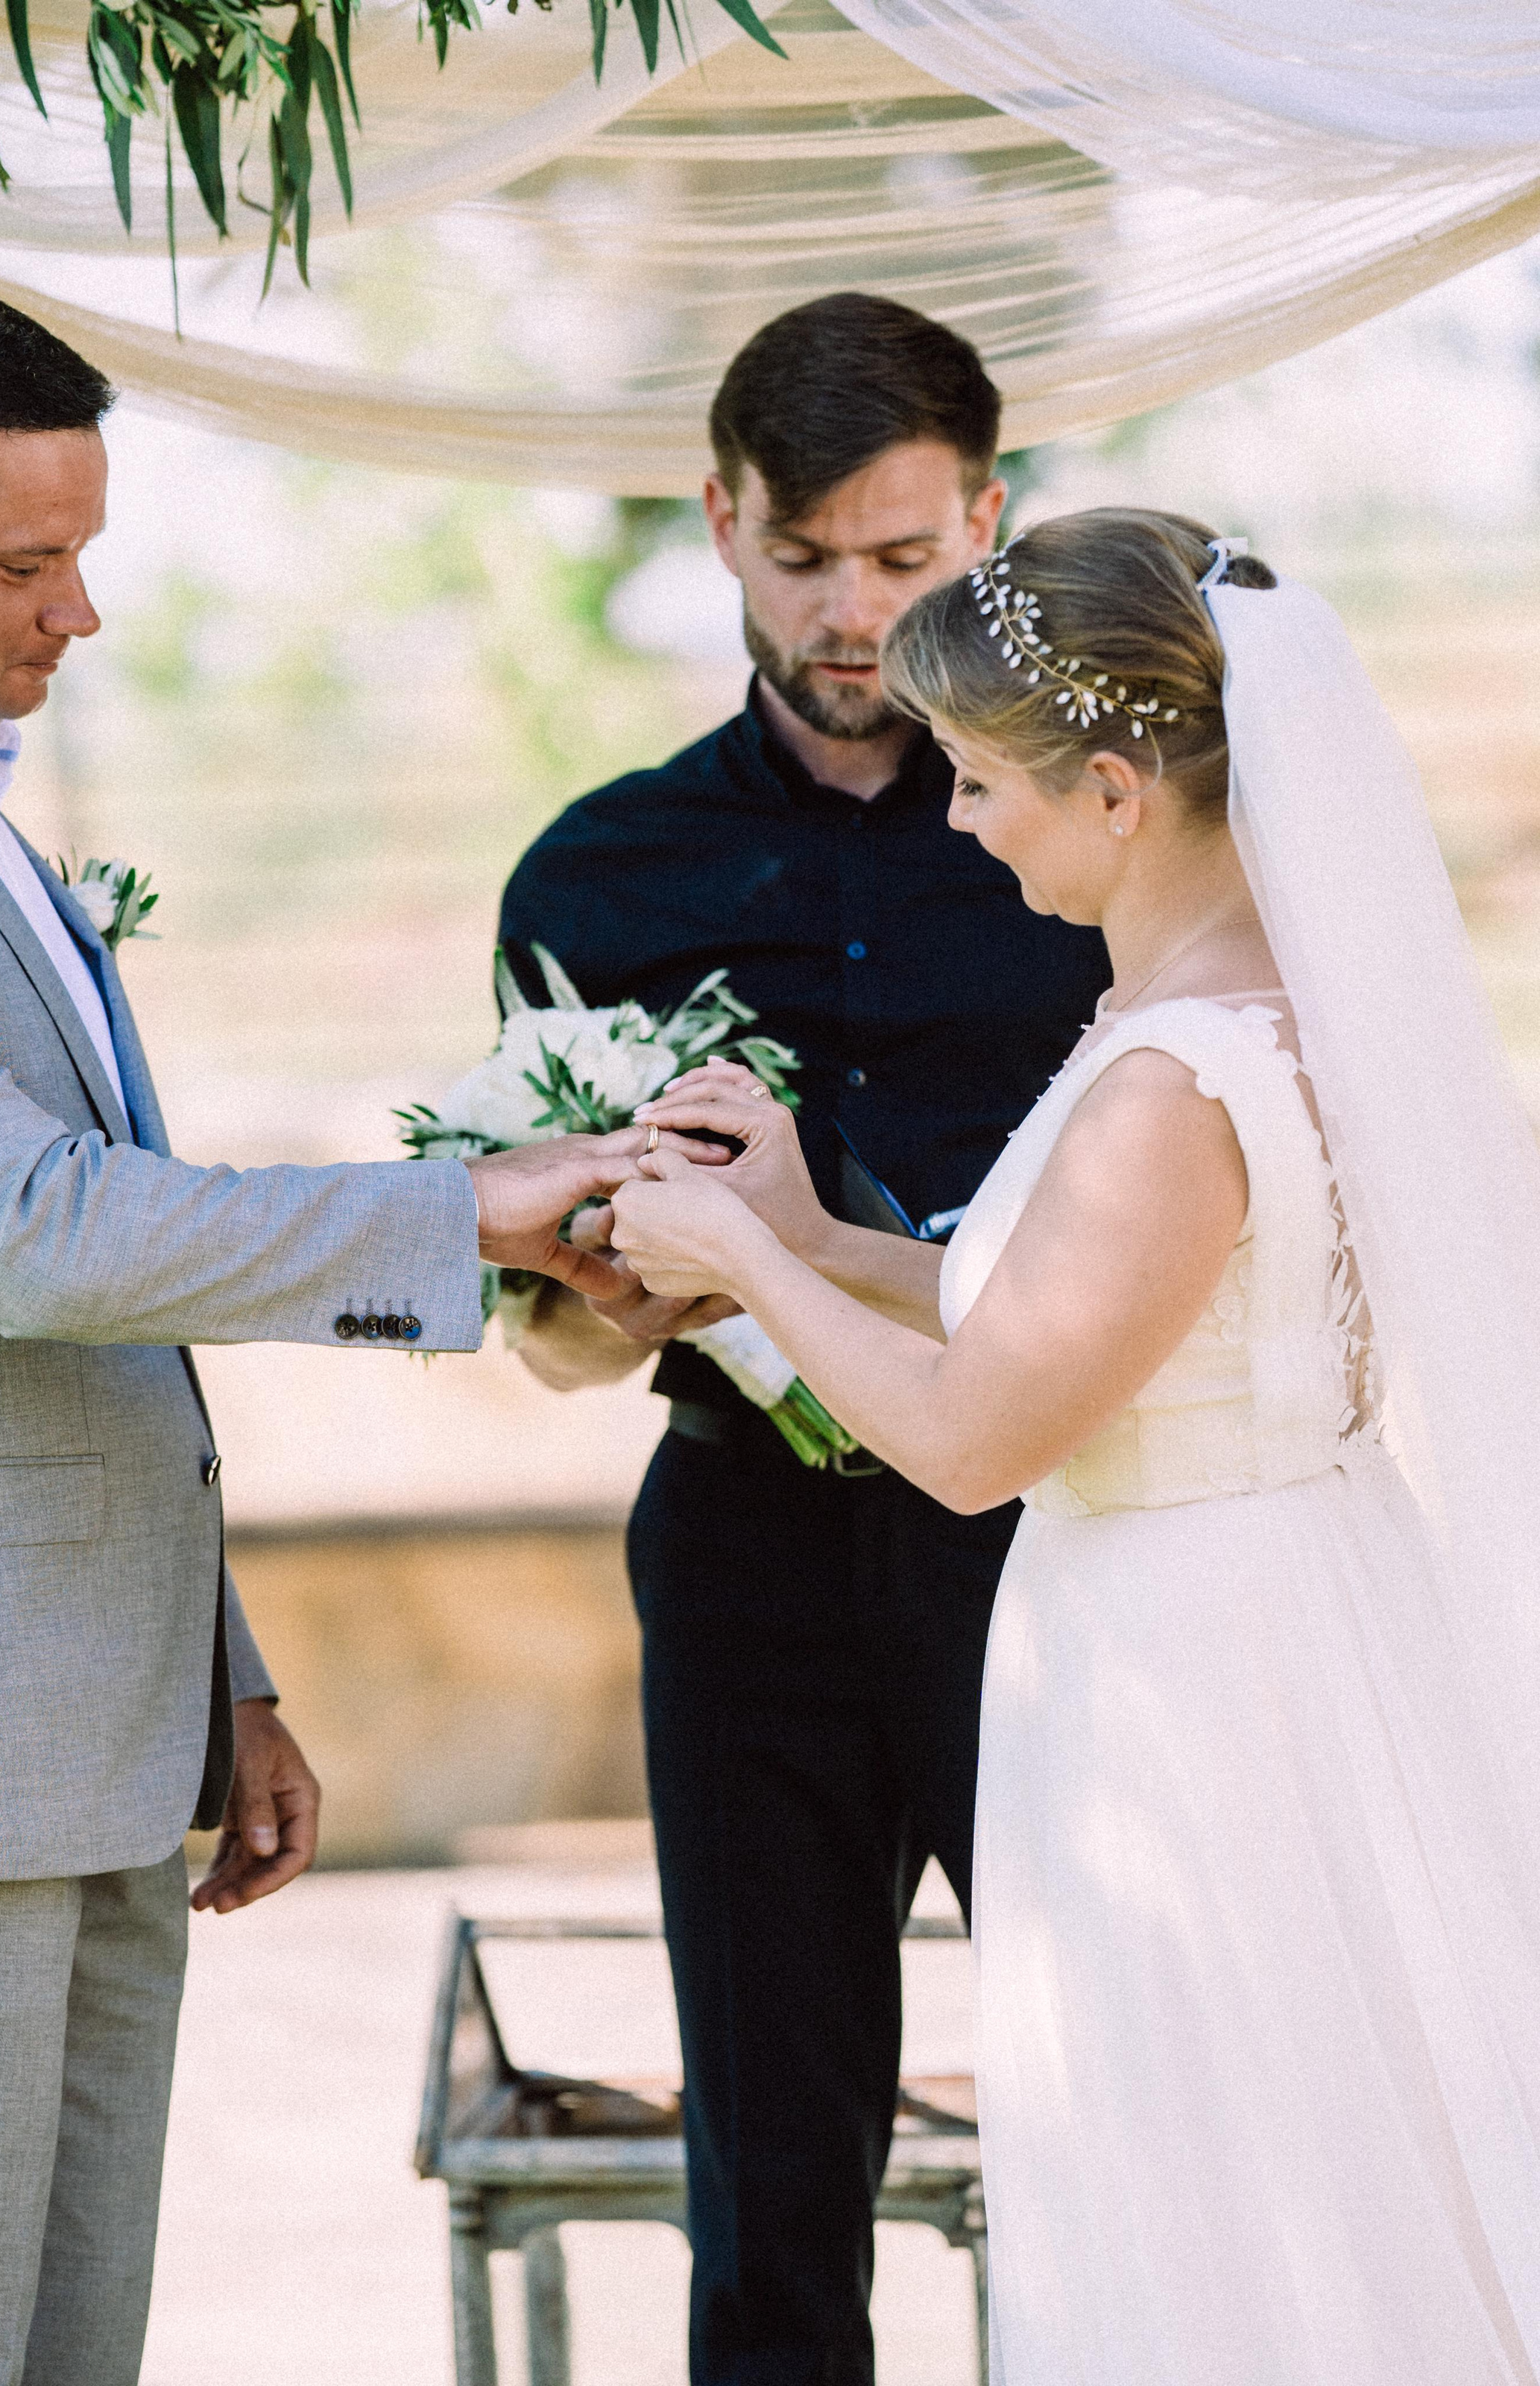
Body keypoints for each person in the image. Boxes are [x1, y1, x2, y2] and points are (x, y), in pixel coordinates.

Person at [0, 280, 655, 2386]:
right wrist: (470, 1212)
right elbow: (35, 1238)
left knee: (72, 2359)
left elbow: (85, 1340)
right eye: (27, 559)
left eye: (87, 551)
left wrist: (228, 1685)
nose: (79, 613)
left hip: (89, 1741)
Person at [611, 508, 1540, 2381]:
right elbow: (1070, 1312)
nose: (958, 822)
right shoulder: (1244, 1014)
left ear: (1114, 790)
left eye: (977, 781)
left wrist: (726, 1262)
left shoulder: (1163, 1082)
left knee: (1217, 2175)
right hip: (1257, 1608)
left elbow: (967, 1439)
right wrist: (804, 1231)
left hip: (1196, 1685)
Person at [499, 295, 1108, 2383]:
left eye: (906, 560)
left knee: (1115, 2117)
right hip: (745, 1560)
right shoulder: (596, 874)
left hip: (1057, 1552)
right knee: (770, 2180)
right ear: (720, 519)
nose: (852, 615)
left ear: (992, 524)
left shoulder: (1097, 847)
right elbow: (560, 1353)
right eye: (803, 558)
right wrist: (582, 1301)